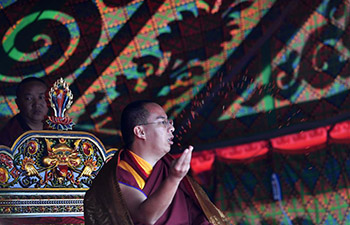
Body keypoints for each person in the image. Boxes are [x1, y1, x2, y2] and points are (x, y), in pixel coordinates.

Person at [84, 100, 228, 225]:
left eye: (169, 122)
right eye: (163, 122)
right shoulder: (117, 176)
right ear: (140, 132)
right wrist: (174, 178)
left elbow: (195, 217)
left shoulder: (165, 167)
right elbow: (147, 216)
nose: (171, 128)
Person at [0, 77, 49, 147]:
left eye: (42, 97)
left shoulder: (57, 128)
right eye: (28, 98)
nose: (37, 104)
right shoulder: (9, 135)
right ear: (18, 103)